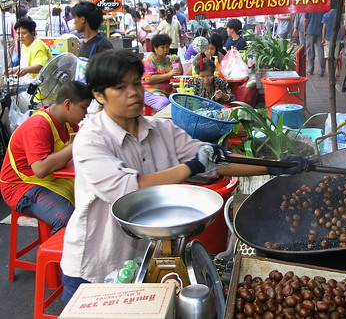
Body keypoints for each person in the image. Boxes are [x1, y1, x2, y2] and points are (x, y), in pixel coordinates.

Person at [59, 49, 312, 301]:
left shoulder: (161, 129)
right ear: (98, 95)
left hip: (148, 261)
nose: (133, 93)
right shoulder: (91, 140)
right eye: (120, 88)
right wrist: (191, 167)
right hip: (99, 266)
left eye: (136, 83)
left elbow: (215, 163)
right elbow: (129, 192)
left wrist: (274, 166)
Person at [0, 81, 92, 235]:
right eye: (84, 107)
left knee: (94, 202)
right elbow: (40, 169)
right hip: (20, 187)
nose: (86, 114)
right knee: (67, 220)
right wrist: (76, 145)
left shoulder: (68, 124)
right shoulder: (38, 125)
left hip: (51, 181)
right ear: (67, 104)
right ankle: (52, 258)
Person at [142, 34, 183, 111]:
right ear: (155, 48)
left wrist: (178, 61)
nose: (166, 50)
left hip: (167, 90)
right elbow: (148, 79)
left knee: (183, 100)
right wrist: (168, 75)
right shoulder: (148, 60)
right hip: (150, 90)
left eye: (167, 47)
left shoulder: (167, 59)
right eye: (162, 47)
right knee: (164, 103)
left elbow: (179, 73)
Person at [8, 18, 52, 85]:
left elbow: (41, 67)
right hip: (27, 83)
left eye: (24, 33)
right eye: (18, 33)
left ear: (32, 33)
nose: (20, 36)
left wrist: (26, 70)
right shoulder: (25, 44)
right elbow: (26, 64)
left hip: (41, 86)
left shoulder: (38, 45)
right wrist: (14, 69)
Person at [304, 10, 327, 76]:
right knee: (321, 52)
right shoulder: (323, 8)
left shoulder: (309, 8)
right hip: (320, 32)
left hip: (310, 31)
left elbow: (305, 20)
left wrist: (305, 30)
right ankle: (321, 70)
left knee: (310, 51)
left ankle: (310, 69)